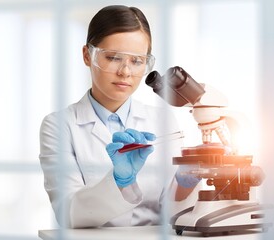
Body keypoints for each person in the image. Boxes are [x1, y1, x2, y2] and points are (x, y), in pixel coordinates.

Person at [39, 5, 200, 228]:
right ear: (87, 55)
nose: (125, 72)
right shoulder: (58, 125)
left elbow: (174, 213)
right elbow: (68, 214)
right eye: (113, 57)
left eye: (136, 61)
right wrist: (118, 182)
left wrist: (185, 184)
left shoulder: (162, 120)